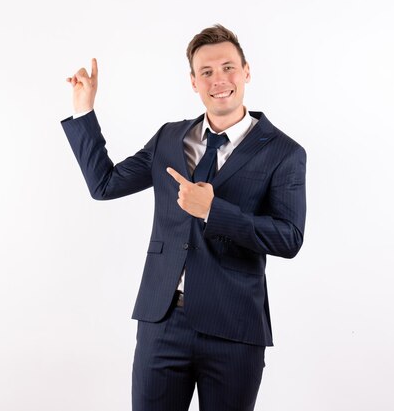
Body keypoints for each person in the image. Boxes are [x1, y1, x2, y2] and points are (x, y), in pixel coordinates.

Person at [61, 24, 306, 411]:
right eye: (206, 72)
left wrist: (214, 211)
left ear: (246, 71)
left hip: (234, 329)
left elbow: (289, 238)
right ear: (194, 82)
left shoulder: (283, 152)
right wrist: (83, 110)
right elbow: (104, 185)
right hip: (162, 323)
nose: (219, 79)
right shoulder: (169, 139)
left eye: (228, 67)